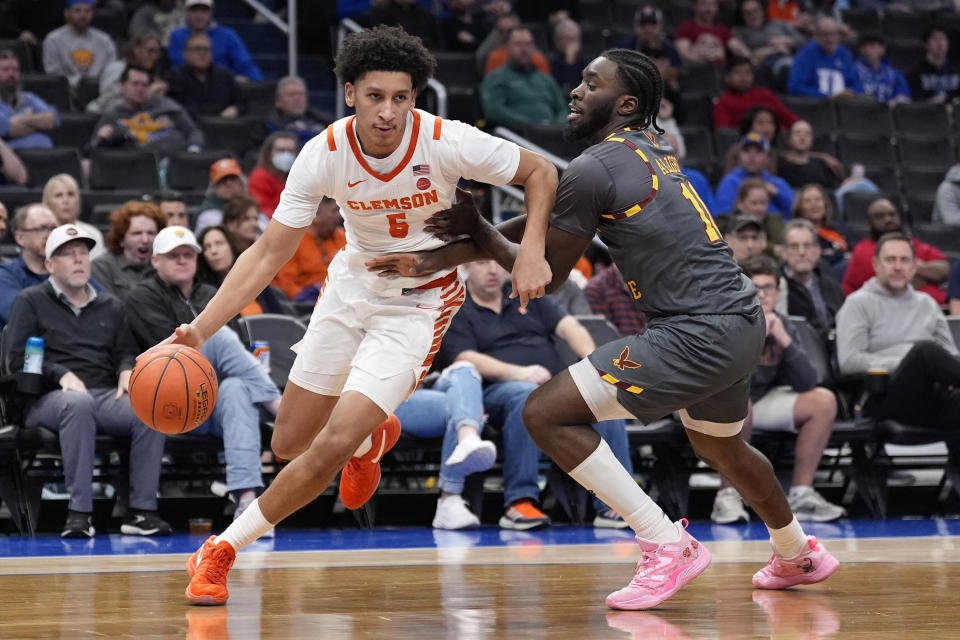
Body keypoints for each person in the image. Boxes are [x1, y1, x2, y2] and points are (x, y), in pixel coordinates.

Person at [366, 48, 839, 610]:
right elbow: (543, 225)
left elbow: (543, 272)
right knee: (724, 449)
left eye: (591, 83)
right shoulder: (644, 152)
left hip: (696, 330)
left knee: (543, 412)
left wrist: (476, 230)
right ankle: (797, 552)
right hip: (740, 323)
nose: (574, 91)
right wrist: (437, 256)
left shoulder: (594, 168)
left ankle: (665, 542)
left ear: (626, 102)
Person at [173, 25, 555, 606]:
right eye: (375, 96)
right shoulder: (323, 153)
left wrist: (528, 249)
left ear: (414, 99)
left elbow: (541, 173)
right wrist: (202, 328)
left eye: (400, 98)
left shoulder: (446, 140)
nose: (388, 111)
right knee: (290, 443)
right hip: (351, 285)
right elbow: (269, 252)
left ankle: (222, 549)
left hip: (420, 302)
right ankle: (371, 439)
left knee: (329, 443)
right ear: (350, 93)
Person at [439, 258, 635, 530]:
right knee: (526, 396)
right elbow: (464, 357)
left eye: (498, 262)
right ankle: (520, 502)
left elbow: (570, 327)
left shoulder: (526, 296)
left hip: (550, 387)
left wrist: (593, 363)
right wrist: (518, 372)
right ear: (465, 268)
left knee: (601, 396)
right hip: (491, 394)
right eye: (483, 263)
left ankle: (616, 503)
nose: (493, 270)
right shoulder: (457, 307)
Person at [5, 223, 170, 538]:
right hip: (47, 398)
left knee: (149, 409)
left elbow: (125, 351)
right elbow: (16, 361)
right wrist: (59, 374)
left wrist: (125, 370)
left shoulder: (111, 304)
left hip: (104, 394)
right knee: (77, 403)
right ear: (50, 265)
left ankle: (141, 512)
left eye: (83, 253)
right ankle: (79, 514)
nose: (78, 259)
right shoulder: (30, 300)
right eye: (68, 254)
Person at [126, 225, 281, 532]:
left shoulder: (213, 294)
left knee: (237, 388)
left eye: (188, 254)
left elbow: (240, 353)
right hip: (167, 402)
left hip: (212, 401)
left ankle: (247, 503)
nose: (182, 260)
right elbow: (171, 355)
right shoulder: (141, 297)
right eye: (173, 255)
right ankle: (282, 409)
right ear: (155, 260)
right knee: (217, 336)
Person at [719, 254, 844, 523]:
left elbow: (807, 382)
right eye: (755, 288)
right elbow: (723, 380)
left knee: (824, 401)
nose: (762, 295)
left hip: (760, 401)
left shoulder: (783, 324)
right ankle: (726, 496)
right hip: (719, 403)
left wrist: (785, 342)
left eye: (768, 288)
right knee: (740, 403)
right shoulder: (726, 321)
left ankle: (801, 494)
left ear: (778, 292)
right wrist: (754, 340)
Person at [837, 232, 960, 432]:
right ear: (876, 264)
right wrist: (907, 362)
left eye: (904, 260)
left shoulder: (927, 304)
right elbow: (849, 361)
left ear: (914, 267)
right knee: (924, 352)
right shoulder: (858, 303)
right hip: (883, 397)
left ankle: (954, 464)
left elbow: (951, 357)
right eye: (890, 260)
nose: (897, 266)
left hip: (930, 397)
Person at [396, 361, 499, 530]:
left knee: (466, 368)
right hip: (389, 393)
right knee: (465, 406)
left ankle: (468, 437)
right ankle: (449, 498)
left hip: (426, 383)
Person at [841, 198, 948, 304]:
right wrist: (926, 274)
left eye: (892, 214)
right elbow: (894, 284)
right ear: (868, 224)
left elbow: (944, 270)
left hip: (936, 308)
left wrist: (914, 268)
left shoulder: (914, 244)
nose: (888, 219)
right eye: (880, 216)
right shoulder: (863, 250)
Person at [92, 66, 204, 159]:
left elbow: (192, 131)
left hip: (178, 162)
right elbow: (92, 149)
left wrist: (193, 151)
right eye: (135, 84)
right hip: (141, 167)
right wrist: (102, 139)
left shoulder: (166, 105)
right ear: (122, 86)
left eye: (144, 85)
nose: (140, 89)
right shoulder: (113, 115)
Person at [480, 27, 568, 130]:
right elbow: (494, 111)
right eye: (518, 44)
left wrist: (554, 126)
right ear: (507, 47)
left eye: (528, 44)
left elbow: (563, 110)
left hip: (550, 134)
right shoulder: (495, 77)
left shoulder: (546, 79)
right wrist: (530, 125)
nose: (524, 49)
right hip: (515, 136)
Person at [196, 224, 288, 316]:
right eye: (207, 247)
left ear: (231, 246)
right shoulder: (205, 292)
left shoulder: (255, 278)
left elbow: (279, 317)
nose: (213, 251)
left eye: (219, 243)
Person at [781, 219, 845, 341]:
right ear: (784, 252)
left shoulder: (827, 277)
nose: (802, 252)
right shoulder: (777, 285)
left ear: (817, 251)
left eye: (807, 245)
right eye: (794, 246)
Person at [167, 0, 263, 81]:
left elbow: (245, 64)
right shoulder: (177, 35)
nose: (199, 15)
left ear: (211, 12)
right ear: (187, 12)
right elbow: (175, 65)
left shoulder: (228, 35)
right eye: (194, 10)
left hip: (221, 88)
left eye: (204, 10)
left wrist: (260, 83)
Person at [272, 197, 346, 301]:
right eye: (334, 211)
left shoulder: (344, 237)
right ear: (315, 215)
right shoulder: (292, 242)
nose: (339, 215)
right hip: (309, 305)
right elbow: (288, 284)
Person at [91, 201, 166, 301]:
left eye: (151, 233)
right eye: (137, 233)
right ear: (121, 239)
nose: (145, 240)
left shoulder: (165, 264)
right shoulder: (102, 267)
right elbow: (109, 308)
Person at [0, 203, 57, 330]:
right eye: (41, 229)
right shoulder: (5, 275)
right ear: (20, 238)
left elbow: (108, 308)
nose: (49, 235)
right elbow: (25, 317)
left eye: (53, 228)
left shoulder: (68, 271)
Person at [165, 32, 242, 121]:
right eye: (197, 49)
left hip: (222, 127)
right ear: (185, 53)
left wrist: (235, 109)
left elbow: (240, 103)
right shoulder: (173, 77)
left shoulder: (225, 75)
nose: (202, 53)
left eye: (206, 49)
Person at [86, 32, 168, 115]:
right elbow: (108, 104)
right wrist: (147, 95)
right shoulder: (117, 69)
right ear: (136, 50)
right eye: (150, 51)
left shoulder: (153, 76)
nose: (154, 57)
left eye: (157, 52)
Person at [42, 0, 118, 90]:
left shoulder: (105, 41)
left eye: (87, 11)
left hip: (99, 92)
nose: (83, 15)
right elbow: (53, 75)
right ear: (67, 13)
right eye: (77, 10)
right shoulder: (53, 40)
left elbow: (111, 72)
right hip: (65, 94)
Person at [715, 132, 794, 217]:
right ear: (739, 156)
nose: (752, 157)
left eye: (758, 152)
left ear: (767, 158)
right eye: (746, 151)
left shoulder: (778, 184)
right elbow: (723, 216)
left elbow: (795, 213)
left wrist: (778, 196)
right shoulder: (729, 182)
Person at [713, 57, 798, 132]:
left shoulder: (766, 94)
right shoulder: (723, 103)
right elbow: (725, 134)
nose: (743, 77)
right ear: (728, 77)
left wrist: (799, 126)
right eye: (737, 72)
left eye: (748, 72)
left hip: (778, 142)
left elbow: (789, 118)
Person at [788, 16, 861, 98]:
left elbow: (857, 84)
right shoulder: (806, 54)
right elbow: (796, 87)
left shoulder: (844, 54)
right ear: (816, 36)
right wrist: (825, 96)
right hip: (818, 106)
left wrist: (851, 92)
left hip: (844, 105)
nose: (830, 39)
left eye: (833, 34)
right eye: (825, 34)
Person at [0, 49, 60, 150]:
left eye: (15, 70)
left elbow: (53, 118)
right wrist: (37, 125)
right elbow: (8, 128)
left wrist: (21, 119)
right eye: (5, 70)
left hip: (37, 160)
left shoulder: (28, 97)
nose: (11, 74)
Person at [790, 184, 849, 276]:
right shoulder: (798, 234)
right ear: (800, 208)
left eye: (818, 200)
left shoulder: (839, 229)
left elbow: (854, 251)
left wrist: (832, 253)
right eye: (808, 201)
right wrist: (841, 255)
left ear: (825, 205)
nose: (814, 204)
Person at [42, 174, 105, 259]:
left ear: (78, 201)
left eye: (71, 194)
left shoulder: (92, 235)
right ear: (47, 202)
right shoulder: (40, 235)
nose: (65, 201)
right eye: (59, 195)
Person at [732, 0, 803, 74]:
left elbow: (803, 41)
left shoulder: (778, 23)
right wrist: (774, 49)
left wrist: (786, 41)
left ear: (762, 10)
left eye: (755, 10)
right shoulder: (739, 31)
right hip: (764, 67)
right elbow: (746, 55)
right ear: (742, 16)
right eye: (747, 13)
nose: (752, 15)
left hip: (792, 58)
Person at [674, 0, 751, 66]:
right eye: (704, 4)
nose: (708, 9)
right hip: (696, 72)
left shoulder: (722, 29)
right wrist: (705, 58)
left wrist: (751, 57)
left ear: (717, 7)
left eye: (712, 4)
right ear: (695, 6)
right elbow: (684, 54)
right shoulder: (685, 28)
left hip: (720, 73)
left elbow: (740, 49)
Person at [717, 178, 784, 247]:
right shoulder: (725, 223)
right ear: (740, 203)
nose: (759, 208)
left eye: (763, 203)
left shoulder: (774, 222)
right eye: (754, 203)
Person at [777, 121, 843, 190]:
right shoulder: (781, 165)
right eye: (797, 133)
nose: (802, 137)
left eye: (807, 134)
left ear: (812, 140)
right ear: (789, 139)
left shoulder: (822, 165)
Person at [482, 12, 551, 77]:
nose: (505, 34)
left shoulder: (537, 58)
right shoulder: (495, 58)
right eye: (501, 31)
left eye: (509, 30)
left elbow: (546, 85)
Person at [266, 76, 328, 147]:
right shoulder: (268, 126)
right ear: (278, 101)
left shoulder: (324, 121)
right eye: (291, 94)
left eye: (301, 94)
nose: (297, 98)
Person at [248, 132, 299, 218]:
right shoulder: (260, 176)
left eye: (290, 151)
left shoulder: (298, 176)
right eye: (281, 150)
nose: (286, 155)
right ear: (269, 154)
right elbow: (262, 209)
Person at [615, 5, 681, 69]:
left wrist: (666, 71)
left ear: (660, 26)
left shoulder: (670, 48)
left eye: (653, 23)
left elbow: (677, 71)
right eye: (643, 23)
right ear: (635, 26)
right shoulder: (624, 47)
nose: (647, 28)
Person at [195, 157, 247, 234]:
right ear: (214, 187)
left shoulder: (250, 206)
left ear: (241, 183)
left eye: (232, 178)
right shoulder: (208, 214)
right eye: (223, 180)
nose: (228, 184)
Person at [907, 27, 960, 103]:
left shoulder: (956, 71)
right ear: (926, 44)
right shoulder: (915, 72)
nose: (940, 43)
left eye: (943, 39)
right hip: (926, 113)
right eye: (935, 39)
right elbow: (913, 101)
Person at [855, 34, 910, 105]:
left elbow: (904, 97)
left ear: (882, 49)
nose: (867, 51)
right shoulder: (854, 70)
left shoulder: (894, 74)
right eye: (864, 47)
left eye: (872, 47)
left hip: (888, 113)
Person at [550, 19, 590, 96]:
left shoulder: (587, 62)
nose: (573, 43)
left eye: (575, 38)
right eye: (569, 39)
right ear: (559, 42)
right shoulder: (553, 63)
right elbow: (566, 89)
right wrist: (569, 63)